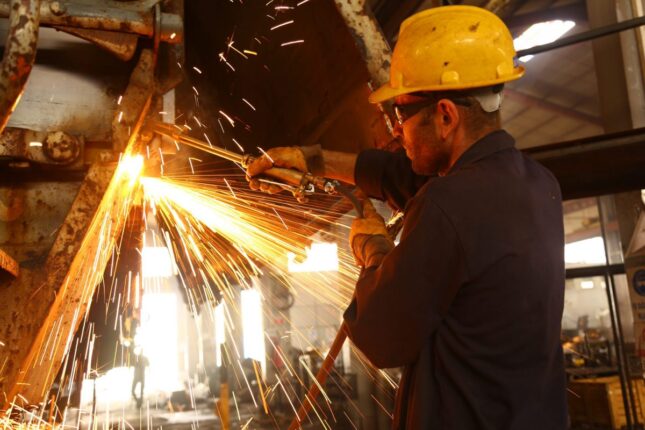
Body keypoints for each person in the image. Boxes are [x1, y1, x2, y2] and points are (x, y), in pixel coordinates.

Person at [246, 5, 567, 429]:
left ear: (446, 115)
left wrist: (372, 248)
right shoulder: (538, 185)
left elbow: (380, 335)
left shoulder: (448, 205)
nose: (396, 130)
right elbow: (404, 176)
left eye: (401, 113)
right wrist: (314, 160)